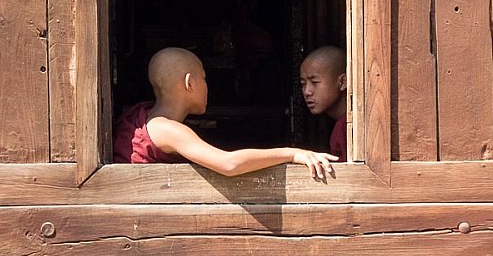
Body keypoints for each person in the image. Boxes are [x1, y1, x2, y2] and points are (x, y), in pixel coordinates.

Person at [113, 47, 337, 179]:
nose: (207, 85)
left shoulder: (142, 115)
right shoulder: (166, 128)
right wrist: (293, 154)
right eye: (204, 78)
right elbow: (229, 164)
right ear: (189, 83)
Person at [299, 46, 348, 160]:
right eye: (303, 84)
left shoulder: (346, 126)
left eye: (314, 82)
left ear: (342, 82)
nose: (307, 92)